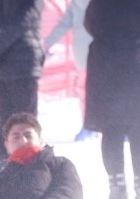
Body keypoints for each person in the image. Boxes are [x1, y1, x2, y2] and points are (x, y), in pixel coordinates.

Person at [84, 0, 140, 199]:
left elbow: (89, 26)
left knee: (111, 130)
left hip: (107, 74)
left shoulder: (98, 4)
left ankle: (116, 185)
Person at [0, 0, 45, 165]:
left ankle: (6, 173)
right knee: (26, 124)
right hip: (23, 64)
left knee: (8, 124)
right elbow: (23, 20)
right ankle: (28, 174)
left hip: (2, 63)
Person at [41, 0, 96, 140]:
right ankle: (95, 126)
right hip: (98, 52)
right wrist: (47, 44)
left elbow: (64, 24)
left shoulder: (77, 4)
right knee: (93, 90)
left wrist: (47, 44)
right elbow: (64, 24)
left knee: (87, 91)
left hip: (87, 52)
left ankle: (91, 125)